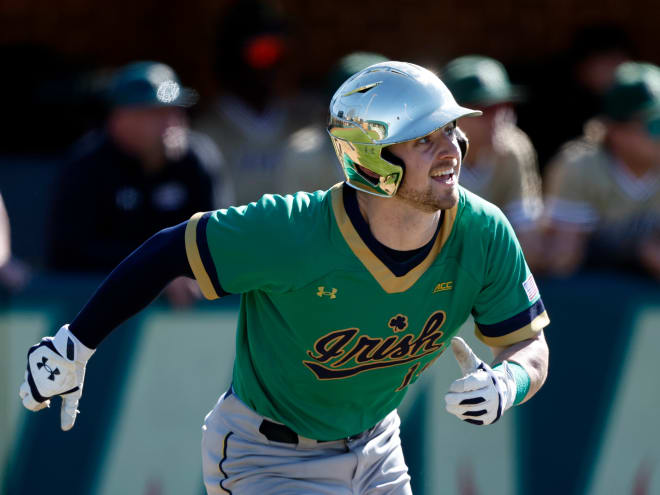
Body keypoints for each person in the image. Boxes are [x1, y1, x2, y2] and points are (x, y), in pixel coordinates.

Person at [20, 61, 550, 494]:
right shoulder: (292, 228)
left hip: (378, 448)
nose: (452, 149)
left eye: (452, 131)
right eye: (424, 139)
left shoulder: (483, 230)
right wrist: (75, 344)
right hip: (268, 457)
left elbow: (530, 345)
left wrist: (510, 381)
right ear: (372, 158)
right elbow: (166, 251)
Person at [47, 61, 232, 306]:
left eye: (175, 111)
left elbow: (218, 239)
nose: (172, 122)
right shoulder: (86, 166)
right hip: (97, 312)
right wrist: (156, 270)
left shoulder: (197, 159)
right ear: (120, 118)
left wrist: (174, 270)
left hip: (184, 314)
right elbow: (69, 252)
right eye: (156, 113)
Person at [194, 0, 339, 205]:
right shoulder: (205, 137)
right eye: (263, 52)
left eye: (280, 51)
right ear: (232, 57)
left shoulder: (308, 124)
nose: (276, 64)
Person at [541, 61, 660, 279]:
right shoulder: (579, 167)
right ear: (617, 132)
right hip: (586, 295)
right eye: (656, 124)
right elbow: (561, 262)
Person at [441, 55, 544, 266]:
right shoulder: (428, 154)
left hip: (492, 271)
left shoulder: (515, 148)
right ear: (452, 114)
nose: (500, 118)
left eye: (504, 106)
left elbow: (530, 244)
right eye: (485, 108)